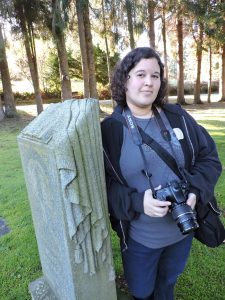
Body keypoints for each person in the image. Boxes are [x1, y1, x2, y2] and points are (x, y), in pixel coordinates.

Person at [101, 47, 222, 300]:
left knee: (167, 284)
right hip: (139, 240)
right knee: (141, 291)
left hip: (182, 231)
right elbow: (103, 187)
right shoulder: (110, 131)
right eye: (140, 74)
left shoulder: (177, 116)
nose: (149, 82)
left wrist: (195, 191)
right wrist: (138, 201)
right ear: (125, 80)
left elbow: (209, 158)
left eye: (155, 76)